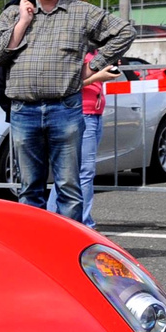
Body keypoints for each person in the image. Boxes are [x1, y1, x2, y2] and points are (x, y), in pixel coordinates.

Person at [0, 0, 134, 218]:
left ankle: (68, 251)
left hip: (64, 110)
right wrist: (22, 23)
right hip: (24, 112)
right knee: (30, 189)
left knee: (68, 187)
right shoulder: (14, 13)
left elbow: (124, 32)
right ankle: (34, 251)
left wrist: (93, 66)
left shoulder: (81, 12)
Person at [46, 51, 114, 228]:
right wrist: (98, 76)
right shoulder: (77, 50)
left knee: (71, 172)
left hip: (93, 114)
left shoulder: (93, 51)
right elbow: (66, 84)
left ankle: (54, 218)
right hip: (82, 113)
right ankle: (83, 224)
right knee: (83, 172)